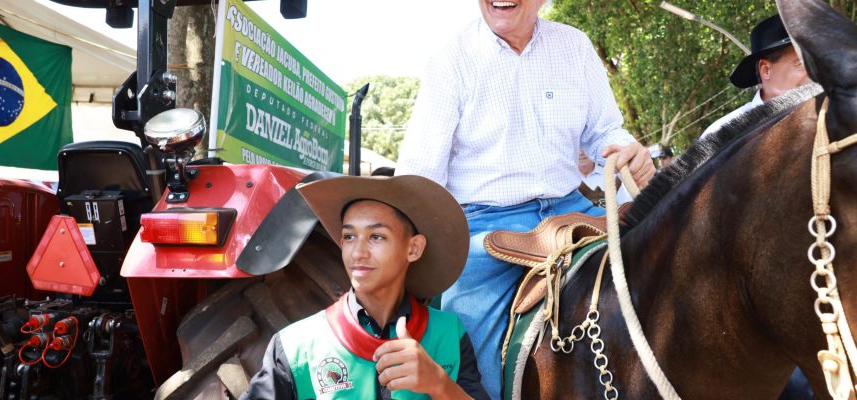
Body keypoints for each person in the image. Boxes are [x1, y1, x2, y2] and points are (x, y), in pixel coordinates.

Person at [396, 1, 656, 397]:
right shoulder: (451, 59)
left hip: (574, 212)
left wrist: (625, 150)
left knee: (664, 273)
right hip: (484, 230)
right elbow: (421, 174)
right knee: (468, 354)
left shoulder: (575, 46)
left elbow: (604, 129)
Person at [241, 175, 487, 399]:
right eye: (349, 237)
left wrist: (439, 384)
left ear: (413, 249)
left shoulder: (450, 335)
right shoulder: (296, 347)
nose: (357, 253)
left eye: (376, 237)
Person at [701, 14, 811, 138]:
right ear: (766, 70)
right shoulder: (722, 135)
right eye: (801, 64)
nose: (815, 73)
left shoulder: (826, 123)